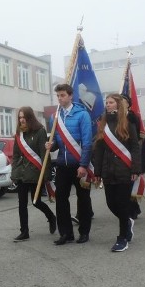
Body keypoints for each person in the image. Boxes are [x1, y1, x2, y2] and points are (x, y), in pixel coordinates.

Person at [45, 83, 93, 245]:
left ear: (70, 96)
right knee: (61, 199)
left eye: (63, 95)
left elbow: (87, 142)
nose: (60, 98)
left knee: (83, 199)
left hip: (79, 164)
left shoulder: (82, 115)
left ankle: (84, 232)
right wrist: (51, 146)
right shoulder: (55, 117)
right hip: (62, 165)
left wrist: (83, 165)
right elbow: (58, 142)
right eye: (58, 96)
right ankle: (66, 233)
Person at [92, 95, 141, 251]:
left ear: (118, 105)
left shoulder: (127, 122)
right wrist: (97, 171)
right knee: (110, 203)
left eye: (111, 102)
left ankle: (122, 238)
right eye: (106, 103)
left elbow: (134, 146)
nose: (108, 105)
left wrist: (135, 168)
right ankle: (127, 221)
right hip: (107, 170)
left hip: (124, 170)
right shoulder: (103, 124)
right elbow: (99, 149)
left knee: (122, 203)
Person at [10, 106, 57, 241]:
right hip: (21, 174)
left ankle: (51, 217)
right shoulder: (19, 134)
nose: (21, 120)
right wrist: (14, 173)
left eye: (24, 117)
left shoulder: (40, 131)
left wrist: (46, 174)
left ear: (30, 117)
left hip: (36, 172)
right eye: (19, 117)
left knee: (36, 202)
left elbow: (44, 154)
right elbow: (16, 155)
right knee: (22, 204)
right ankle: (24, 231)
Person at [121, 94, 143, 219]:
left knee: (131, 183)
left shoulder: (132, 116)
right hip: (118, 150)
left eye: (123, 101)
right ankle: (132, 207)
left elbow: (137, 134)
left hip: (129, 150)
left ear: (128, 104)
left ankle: (133, 208)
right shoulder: (114, 116)